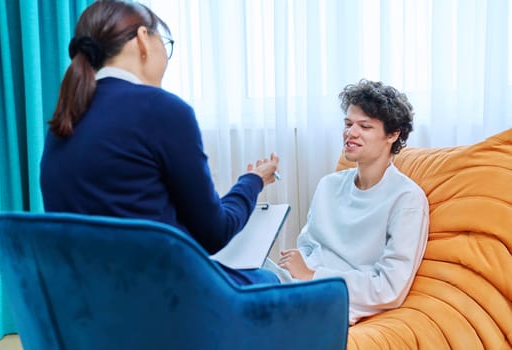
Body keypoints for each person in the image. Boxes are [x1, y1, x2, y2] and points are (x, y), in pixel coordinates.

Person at [40, 0, 280, 286]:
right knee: (272, 279)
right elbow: (215, 234)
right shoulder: (162, 109)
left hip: (88, 311)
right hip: (165, 304)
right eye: (165, 42)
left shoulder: (63, 121)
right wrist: (251, 182)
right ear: (143, 39)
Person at [265, 79, 429, 324]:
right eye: (348, 124)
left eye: (364, 126)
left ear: (393, 134)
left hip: (331, 298)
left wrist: (312, 275)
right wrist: (296, 265)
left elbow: (390, 288)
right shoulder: (329, 185)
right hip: (297, 285)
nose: (351, 133)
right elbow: (309, 246)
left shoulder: (407, 199)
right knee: (231, 273)